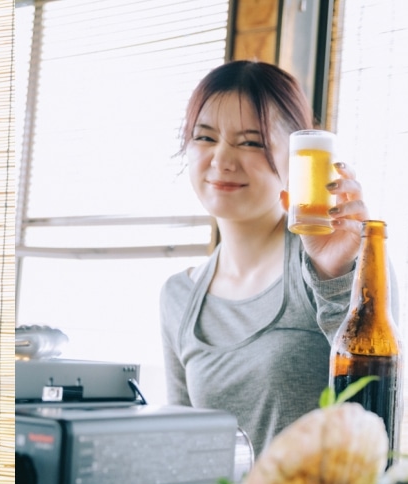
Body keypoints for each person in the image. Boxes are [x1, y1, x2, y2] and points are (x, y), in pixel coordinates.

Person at [159, 60, 380, 457]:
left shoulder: (342, 259)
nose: (222, 160)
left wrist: (336, 276)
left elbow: (376, 402)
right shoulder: (178, 295)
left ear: (299, 156)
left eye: (251, 142)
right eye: (205, 137)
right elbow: (180, 456)